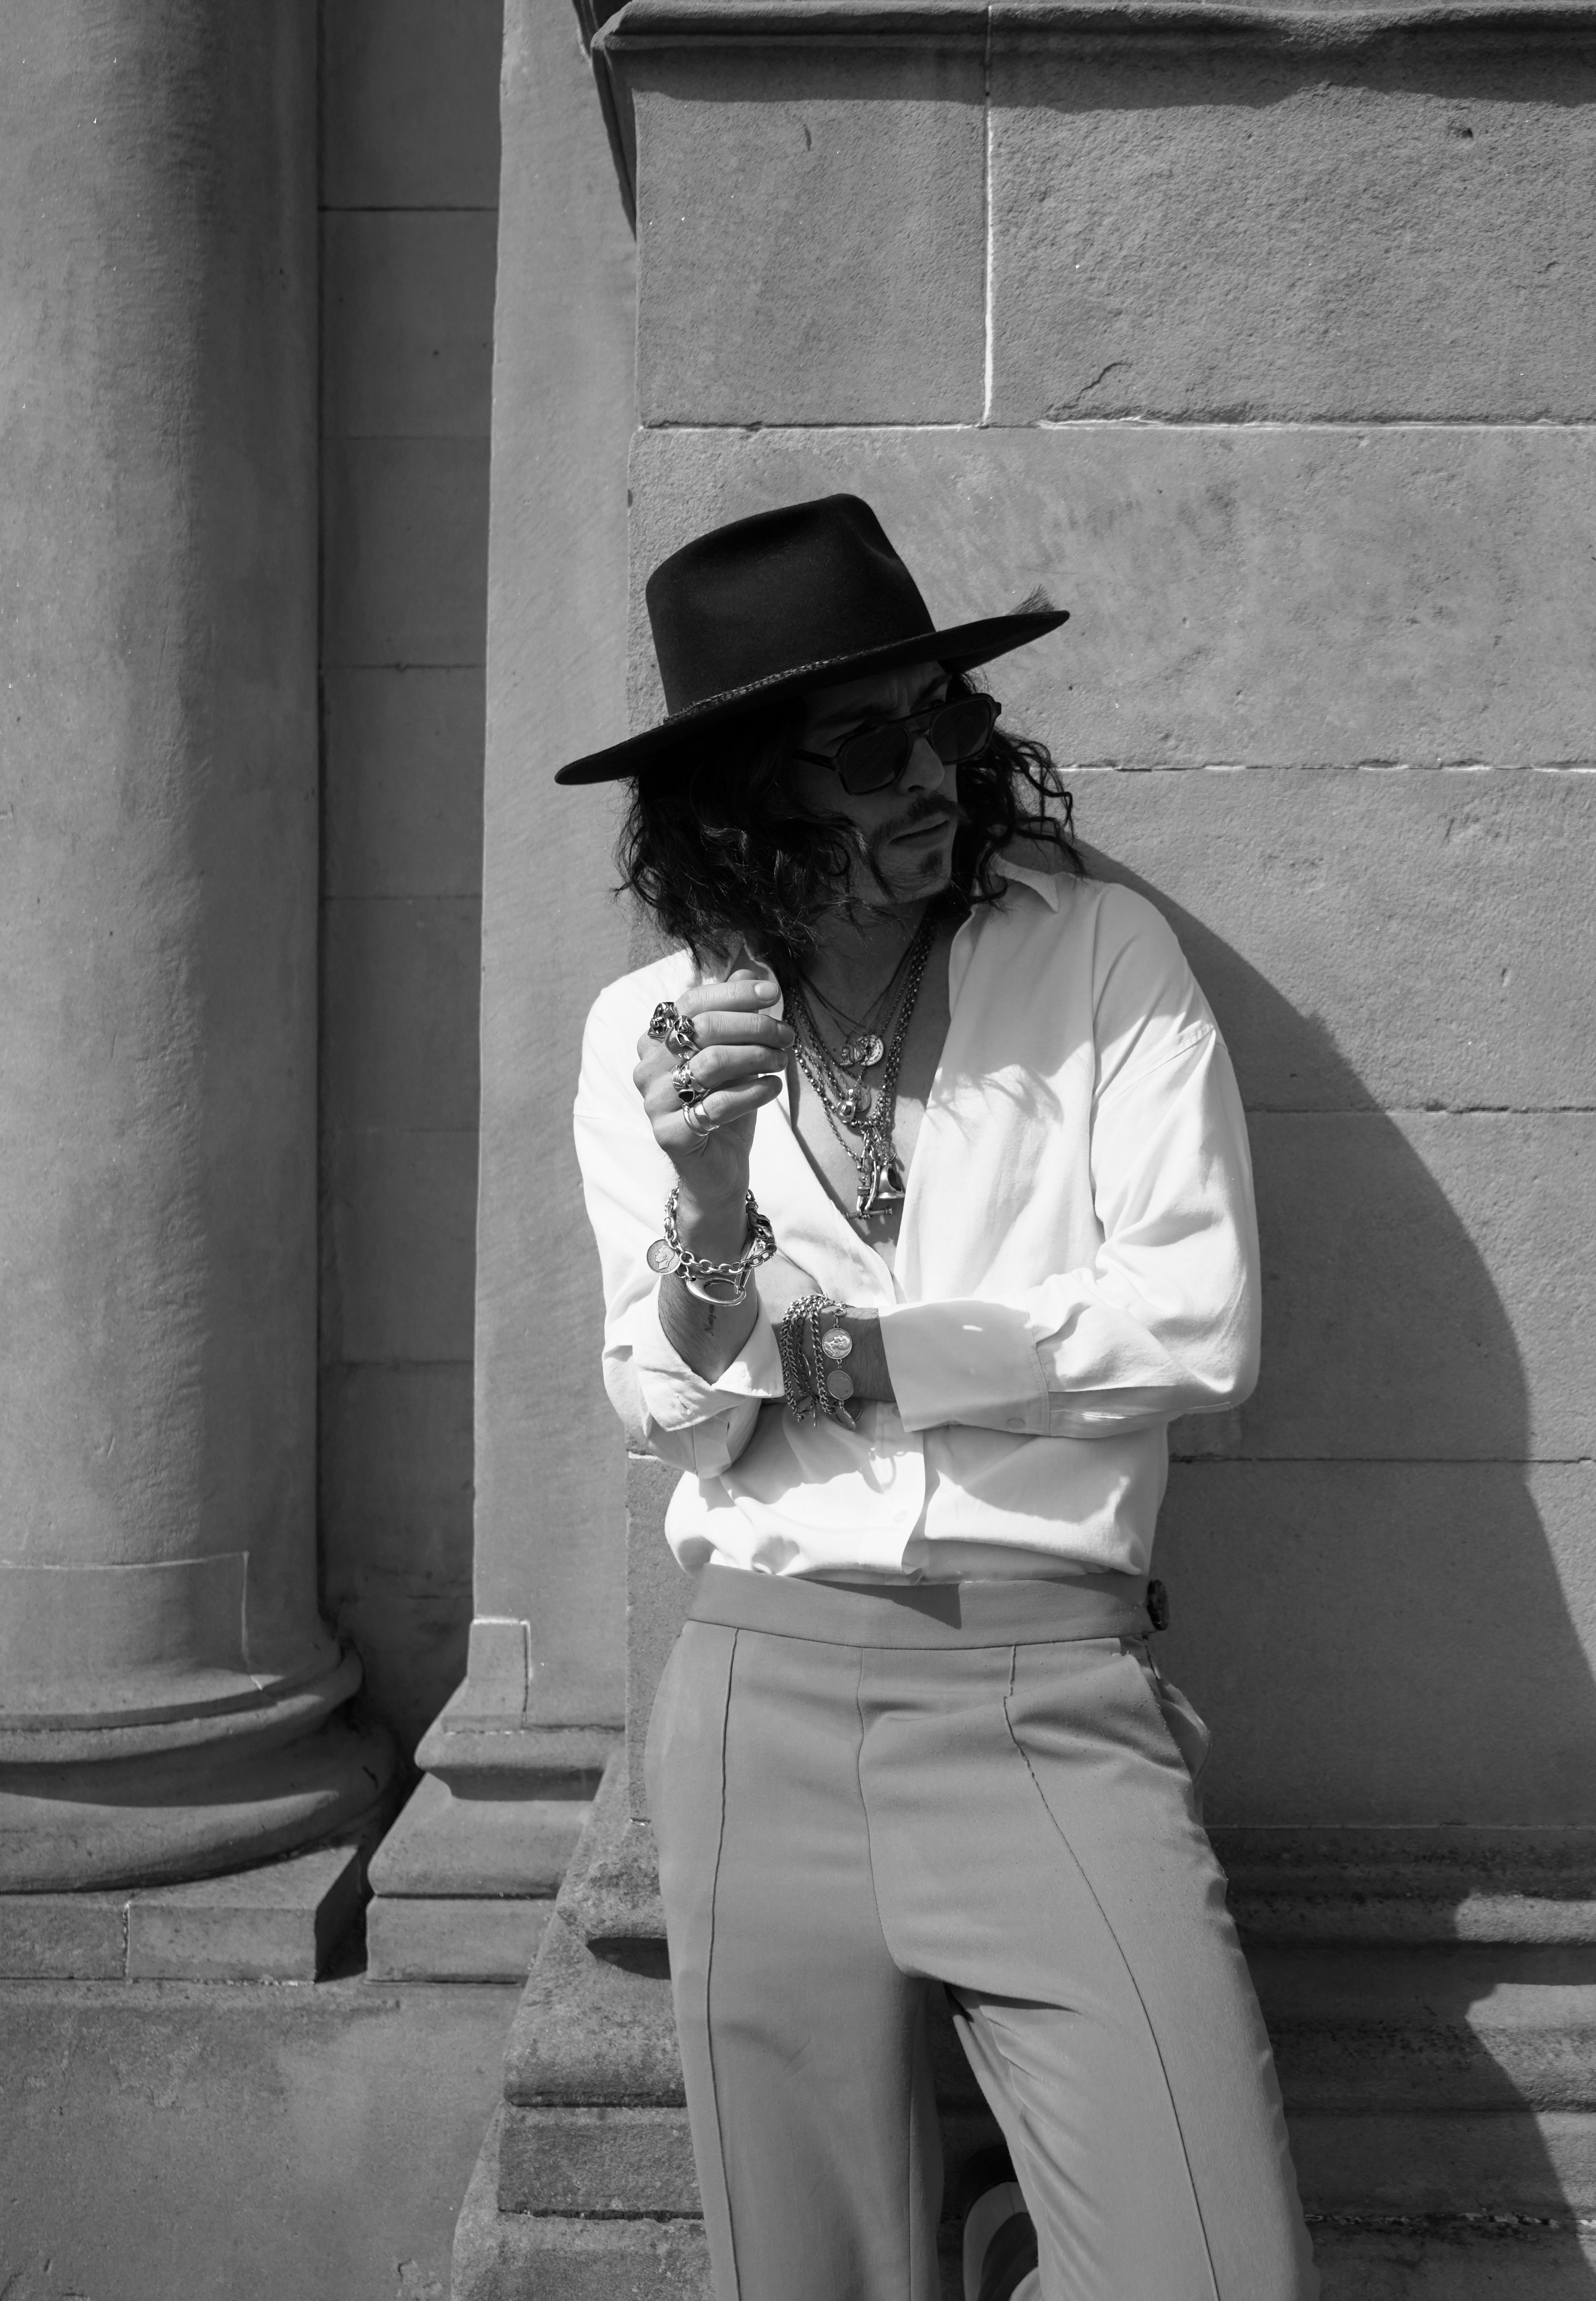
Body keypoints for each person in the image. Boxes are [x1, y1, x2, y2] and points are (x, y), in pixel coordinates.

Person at [561, 494, 1318, 2301]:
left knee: (1216, 2276)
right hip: (757, 1708)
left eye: (947, 721)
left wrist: (861, 1359)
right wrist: (714, 1210)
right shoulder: (651, 1037)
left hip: (1049, 1695)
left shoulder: (1097, 960)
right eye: (868, 747)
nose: (933, 774)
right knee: (808, 2277)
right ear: (744, 794)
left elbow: (1197, 1321)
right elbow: (676, 1413)